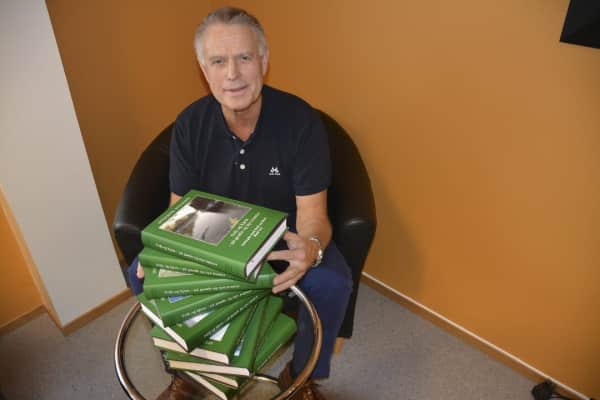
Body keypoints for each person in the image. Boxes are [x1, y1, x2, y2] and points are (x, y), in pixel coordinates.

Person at [126, 6, 352, 400]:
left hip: (283, 236)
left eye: (244, 57)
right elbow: (180, 211)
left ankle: (303, 376)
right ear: (204, 69)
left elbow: (314, 215)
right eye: (218, 61)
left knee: (333, 281)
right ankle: (189, 370)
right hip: (215, 238)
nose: (232, 73)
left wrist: (311, 248)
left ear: (264, 60)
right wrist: (162, 255)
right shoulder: (190, 124)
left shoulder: (301, 122)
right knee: (142, 273)